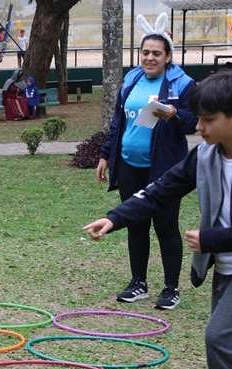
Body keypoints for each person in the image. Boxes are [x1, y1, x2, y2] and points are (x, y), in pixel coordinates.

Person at [84, 69, 232, 369]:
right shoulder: (203, 157)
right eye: (197, 118)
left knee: (218, 338)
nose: (198, 127)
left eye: (208, 120)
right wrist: (115, 217)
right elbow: (159, 191)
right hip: (224, 271)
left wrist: (216, 239)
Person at [96, 13, 197, 310]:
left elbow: (194, 123)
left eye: (156, 53)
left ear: (168, 56)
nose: (149, 58)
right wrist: (105, 154)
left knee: (165, 226)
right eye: (145, 52)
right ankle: (138, 282)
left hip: (163, 168)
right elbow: (119, 120)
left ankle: (171, 288)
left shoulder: (183, 84)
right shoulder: (132, 79)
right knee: (135, 223)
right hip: (130, 164)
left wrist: (174, 115)